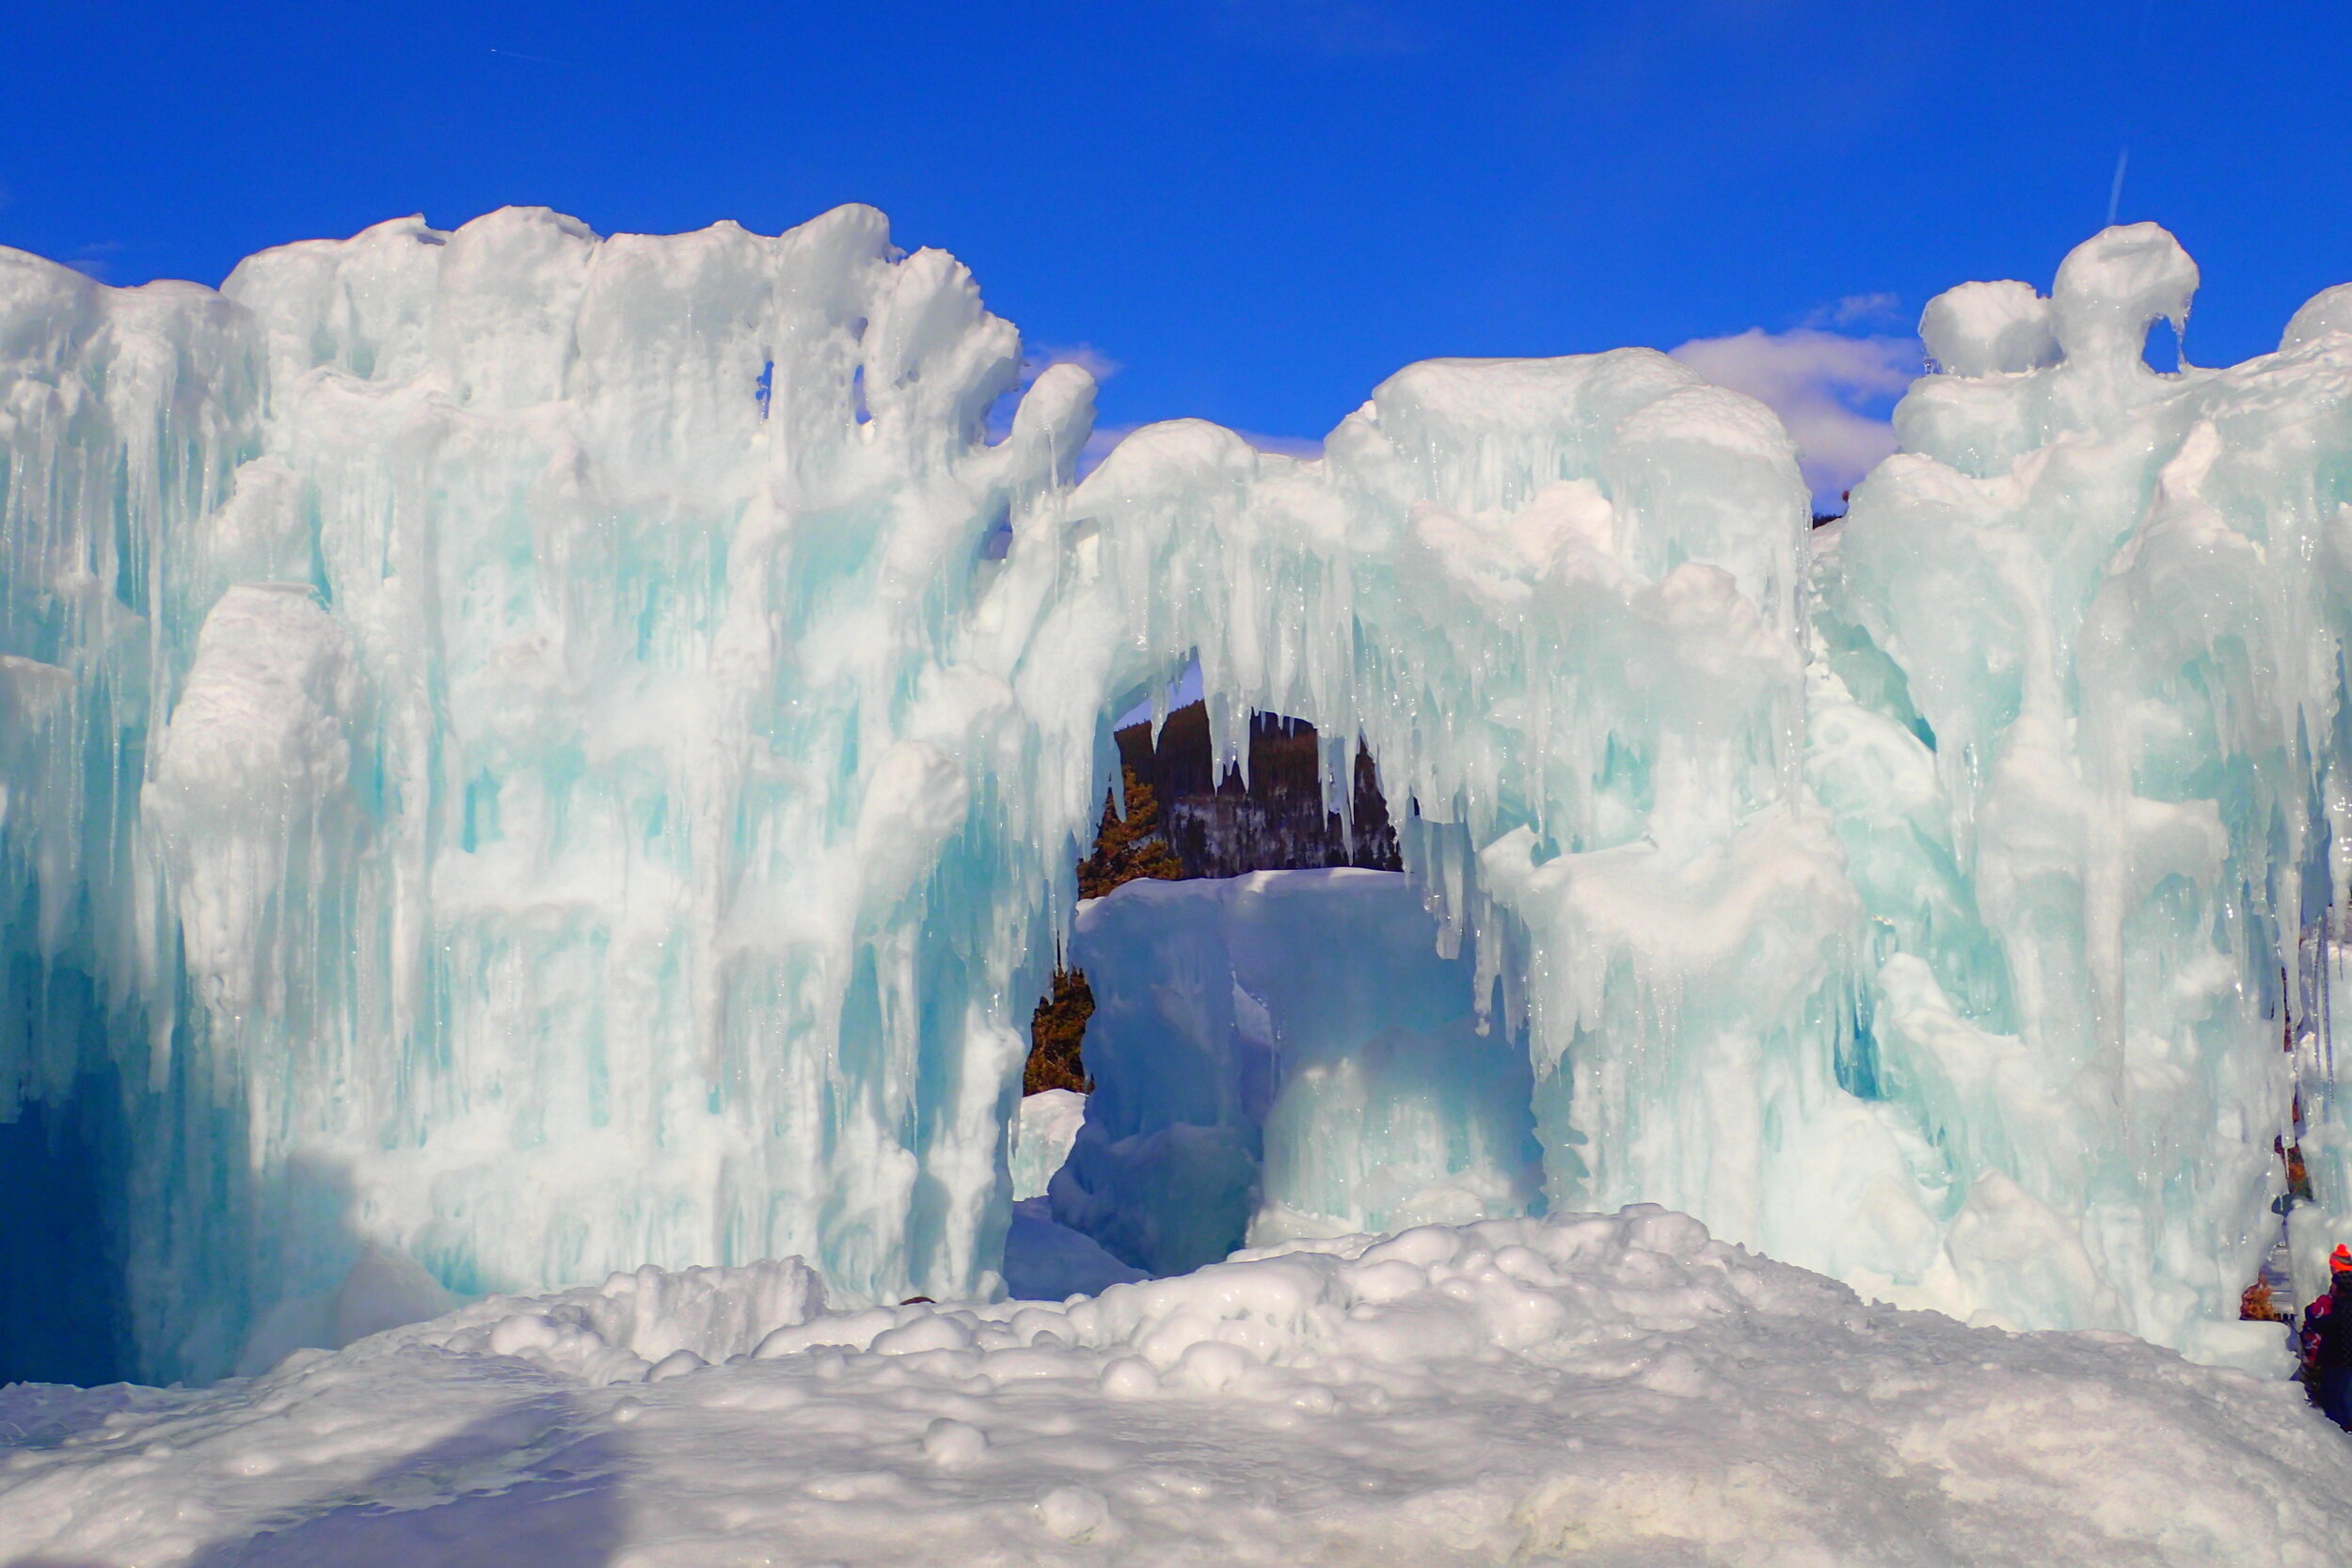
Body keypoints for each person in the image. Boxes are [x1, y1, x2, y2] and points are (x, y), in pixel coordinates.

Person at [2305, 1243, 2352, 1429]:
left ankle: (2341, 1435)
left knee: (2335, 1398)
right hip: (2343, 1358)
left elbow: (2324, 1324)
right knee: (2345, 1398)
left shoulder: (2340, 1303)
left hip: (2338, 1358)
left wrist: (2310, 1312)